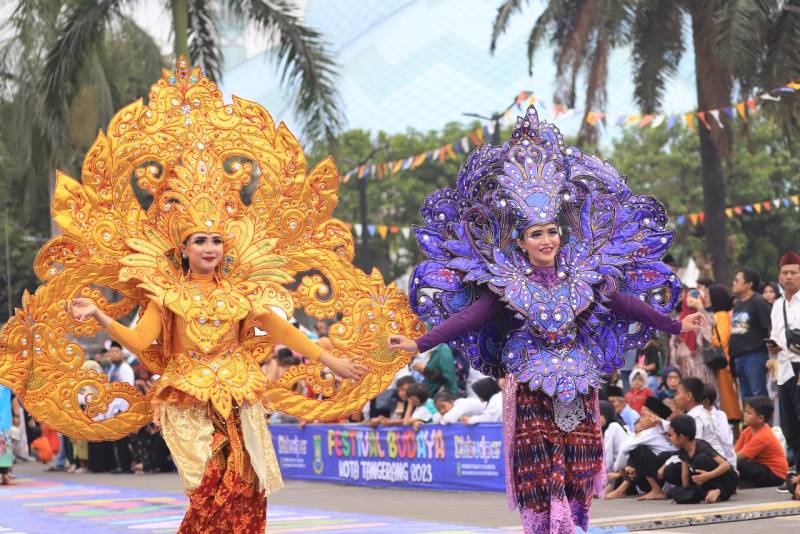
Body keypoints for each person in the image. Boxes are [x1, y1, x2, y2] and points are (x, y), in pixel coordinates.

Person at [0, 58, 430, 534]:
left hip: (240, 398)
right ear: (182, 248)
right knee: (209, 492)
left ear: (227, 246)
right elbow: (143, 343)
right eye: (199, 241)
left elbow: (281, 328)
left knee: (248, 491)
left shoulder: (244, 290)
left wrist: (331, 362)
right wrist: (101, 316)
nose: (209, 248)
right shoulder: (164, 291)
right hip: (188, 399)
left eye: (216, 240)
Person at [387, 106, 703, 533]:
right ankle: (547, 526)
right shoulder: (506, 285)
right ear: (521, 242)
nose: (547, 240)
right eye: (537, 234)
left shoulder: (584, 277)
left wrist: (674, 325)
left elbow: (628, 304)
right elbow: (470, 316)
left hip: (580, 380)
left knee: (579, 459)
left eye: (552, 231)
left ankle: (574, 522)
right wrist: (420, 344)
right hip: (532, 383)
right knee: (541, 466)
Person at [606, 396, 675, 501]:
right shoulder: (662, 429)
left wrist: (620, 471)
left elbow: (625, 447)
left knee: (637, 449)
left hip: (664, 474)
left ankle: (655, 490)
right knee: (633, 456)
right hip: (664, 473)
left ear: (654, 418)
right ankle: (620, 489)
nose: (640, 420)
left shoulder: (652, 431)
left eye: (643, 416)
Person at [769, 252, 800, 479]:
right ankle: (797, 472)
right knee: (789, 425)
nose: (788, 277)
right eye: (785, 273)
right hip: (783, 368)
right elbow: (775, 334)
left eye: (793, 273)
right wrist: (772, 349)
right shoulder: (777, 305)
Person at [667, 415, 738, 504]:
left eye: (671, 435)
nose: (669, 438)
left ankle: (717, 490)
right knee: (677, 492)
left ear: (681, 437)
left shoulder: (701, 446)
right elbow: (684, 474)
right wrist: (685, 491)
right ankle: (709, 493)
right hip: (705, 482)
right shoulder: (683, 450)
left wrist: (708, 475)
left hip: (726, 480)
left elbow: (726, 465)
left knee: (700, 460)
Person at [730, 268, 772, 397]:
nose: (733, 283)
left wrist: (772, 356)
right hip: (739, 357)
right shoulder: (737, 304)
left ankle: (765, 418)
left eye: (737, 280)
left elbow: (770, 329)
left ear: (749, 284)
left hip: (755, 356)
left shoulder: (758, 301)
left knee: (758, 397)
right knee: (746, 398)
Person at [707, 284, 742, 423]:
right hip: (723, 362)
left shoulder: (720, 315)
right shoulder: (719, 314)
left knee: (727, 396)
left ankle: (733, 422)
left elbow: (719, 338)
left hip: (724, 361)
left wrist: (706, 338)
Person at [735, 396, 788, 487]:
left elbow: (738, 457)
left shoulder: (763, 435)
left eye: (749, 413)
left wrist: (720, 464)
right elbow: (734, 452)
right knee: (735, 465)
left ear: (760, 418)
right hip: (761, 468)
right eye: (745, 412)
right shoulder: (747, 431)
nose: (745, 415)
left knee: (738, 464)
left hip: (775, 474)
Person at [599, 400, 627, 479]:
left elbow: (607, 458)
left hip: (622, 471)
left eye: (599, 415)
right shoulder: (603, 429)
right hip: (614, 471)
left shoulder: (613, 427)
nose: (596, 419)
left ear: (606, 414)